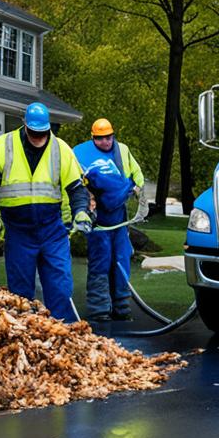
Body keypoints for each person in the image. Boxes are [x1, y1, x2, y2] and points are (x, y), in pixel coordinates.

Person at [0, 102, 92, 322]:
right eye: (34, 133)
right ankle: (24, 338)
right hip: (18, 231)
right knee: (20, 295)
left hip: (52, 230)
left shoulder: (60, 149)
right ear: (24, 125)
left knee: (60, 288)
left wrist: (81, 212)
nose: (38, 139)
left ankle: (63, 335)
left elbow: (76, 188)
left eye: (43, 134)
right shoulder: (3, 146)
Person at [73, 118, 146, 322]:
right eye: (100, 138)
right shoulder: (80, 152)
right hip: (99, 219)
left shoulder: (122, 150)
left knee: (121, 259)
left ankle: (121, 307)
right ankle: (99, 310)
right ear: (93, 137)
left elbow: (136, 174)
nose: (105, 142)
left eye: (108, 137)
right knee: (100, 261)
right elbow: (74, 182)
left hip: (119, 218)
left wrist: (139, 191)